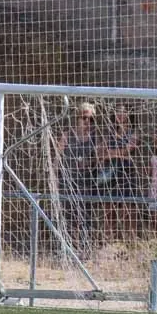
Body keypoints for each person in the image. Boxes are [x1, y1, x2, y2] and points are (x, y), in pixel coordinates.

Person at [57, 102, 100, 256]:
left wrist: (87, 162)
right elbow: (57, 159)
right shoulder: (67, 136)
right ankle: (68, 250)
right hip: (68, 182)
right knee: (69, 217)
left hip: (87, 183)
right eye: (84, 118)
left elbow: (99, 159)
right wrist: (55, 179)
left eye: (91, 119)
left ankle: (83, 250)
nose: (87, 121)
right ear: (78, 118)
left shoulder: (95, 137)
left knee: (85, 217)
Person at [98, 104, 139, 239]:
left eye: (123, 112)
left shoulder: (133, 133)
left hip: (126, 173)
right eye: (118, 112)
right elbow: (100, 153)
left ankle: (130, 242)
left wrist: (111, 153)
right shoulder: (109, 133)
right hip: (110, 173)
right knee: (109, 210)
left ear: (128, 115)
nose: (120, 115)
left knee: (128, 210)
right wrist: (116, 154)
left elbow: (128, 149)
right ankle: (108, 242)